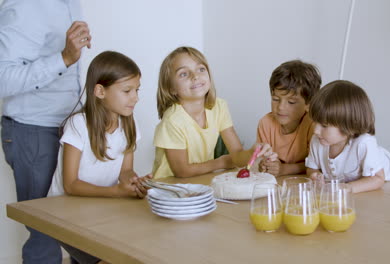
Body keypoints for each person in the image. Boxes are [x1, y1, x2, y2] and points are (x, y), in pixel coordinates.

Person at [0, 0, 91, 263]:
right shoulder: (23, 6)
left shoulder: (71, 3)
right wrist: (63, 58)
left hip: (72, 128)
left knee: (80, 225)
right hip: (34, 131)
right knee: (44, 231)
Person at [47, 51, 150, 264]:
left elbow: (124, 171)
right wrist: (117, 192)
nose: (136, 97)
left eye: (137, 90)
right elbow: (71, 185)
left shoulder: (129, 123)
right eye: (127, 91)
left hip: (100, 207)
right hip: (62, 213)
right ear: (100, 91)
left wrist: (133, 182)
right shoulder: (78, 125)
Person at [153, 46, 276, 178]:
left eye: (201, 69)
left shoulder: (219, 107)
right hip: (169, 188)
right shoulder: (173, 120)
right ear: (171, 88)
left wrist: (253, 151)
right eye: (183, 73)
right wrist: (221, 162)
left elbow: (237, 155)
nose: (195, 76)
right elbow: (182, 171)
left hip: (199, 183)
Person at [305, 80, 390, 193]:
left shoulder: (364, 143)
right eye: (315, 122)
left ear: (349, 125)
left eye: (324, 125)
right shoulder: (318, 141)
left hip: (387, 185)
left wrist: (347, 188)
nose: (316, 130)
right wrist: (314, 175)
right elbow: (312, 167)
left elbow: (378, 179)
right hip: (350, 191)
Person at [257, 60, 321, 177]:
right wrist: (265, 165)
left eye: (291, 102)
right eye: (275, 99)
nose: (281, 107)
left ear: (309, 104)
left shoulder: (314, 126)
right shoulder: (265, 123)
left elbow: (318, 164)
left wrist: (284, 170)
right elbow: (263, 159)